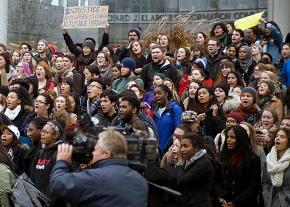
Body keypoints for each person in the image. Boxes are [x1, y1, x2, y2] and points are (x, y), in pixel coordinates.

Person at [49, 129, 148, 207]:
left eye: (96, 149)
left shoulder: (96, 178)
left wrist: (62, 162)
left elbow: (57, 184)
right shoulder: (141, 182)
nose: (92, 153)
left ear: (106, 154)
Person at [146, 132, 215, 207]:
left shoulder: (204, 163)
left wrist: (180, 162)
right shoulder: (190, 160)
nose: (182, 150)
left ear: (196, 148)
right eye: (181, 146)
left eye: (185, 146)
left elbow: (182, 181)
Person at [216, 125, 261, 207]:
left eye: (233, 137)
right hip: (224, 202)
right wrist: (220, 198)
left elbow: (254, 186)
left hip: (244, 203)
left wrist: (236, 202)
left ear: (240, 139)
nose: (228, 140)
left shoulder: (252, 159)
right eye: (227, 137)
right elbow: (216, 180)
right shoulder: (221, 156)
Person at [262, 128, 290, 207]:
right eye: (276, 136)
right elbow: (265, 182)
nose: (277, 138)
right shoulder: (269, 159)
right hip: (270, 201)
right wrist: (266, 197)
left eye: (282, 136)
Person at [152, 84, 182, 152]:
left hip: (170, 150)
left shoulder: (175, 109)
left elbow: (179, 130)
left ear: (166, 94)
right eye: (155, 94)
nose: (156, 96)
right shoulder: (153, 112)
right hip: (156, 151)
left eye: (159, 93)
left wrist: (170, 146)